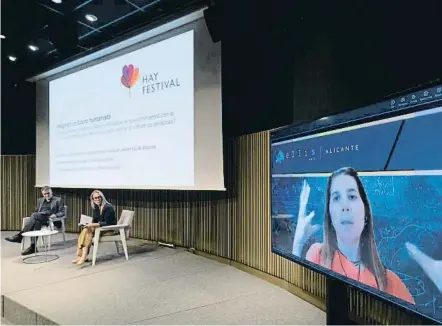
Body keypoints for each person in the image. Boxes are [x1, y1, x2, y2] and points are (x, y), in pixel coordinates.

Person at [292, 167, 415, 304]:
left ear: (366, 213)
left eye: (352, 196)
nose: (345, 206)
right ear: (330, 216)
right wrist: (298, 244)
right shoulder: (318, 254)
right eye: (336, 198)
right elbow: (298, 301)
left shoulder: (391, 282)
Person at [5, 186, 65, 255]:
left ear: (51, 192)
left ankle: (20, 236)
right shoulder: (40, 200)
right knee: (37, 221)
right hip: (41, 218)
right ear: (42, 194)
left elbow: (62, 212)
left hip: (50, 219)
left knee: (34, 215)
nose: (47, 195)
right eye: (44, 194)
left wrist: (55, 215)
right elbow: (37, 211)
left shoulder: (58, 200)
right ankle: (33, 247)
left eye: (48, 193)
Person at [73, 190, 116, 265]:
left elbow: (108, 223)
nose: (97, 199)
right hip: (100, 228)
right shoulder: (97, 207)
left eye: (99, 197)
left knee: (87, 231)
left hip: (109, 228)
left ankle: (82, 256)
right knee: (86, 230)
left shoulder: (108, 207)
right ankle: (83, 256)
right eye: (95, 198)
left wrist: (92, 225)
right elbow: (95, 220)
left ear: (102, 197)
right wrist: (86, 223)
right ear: (93, 199)